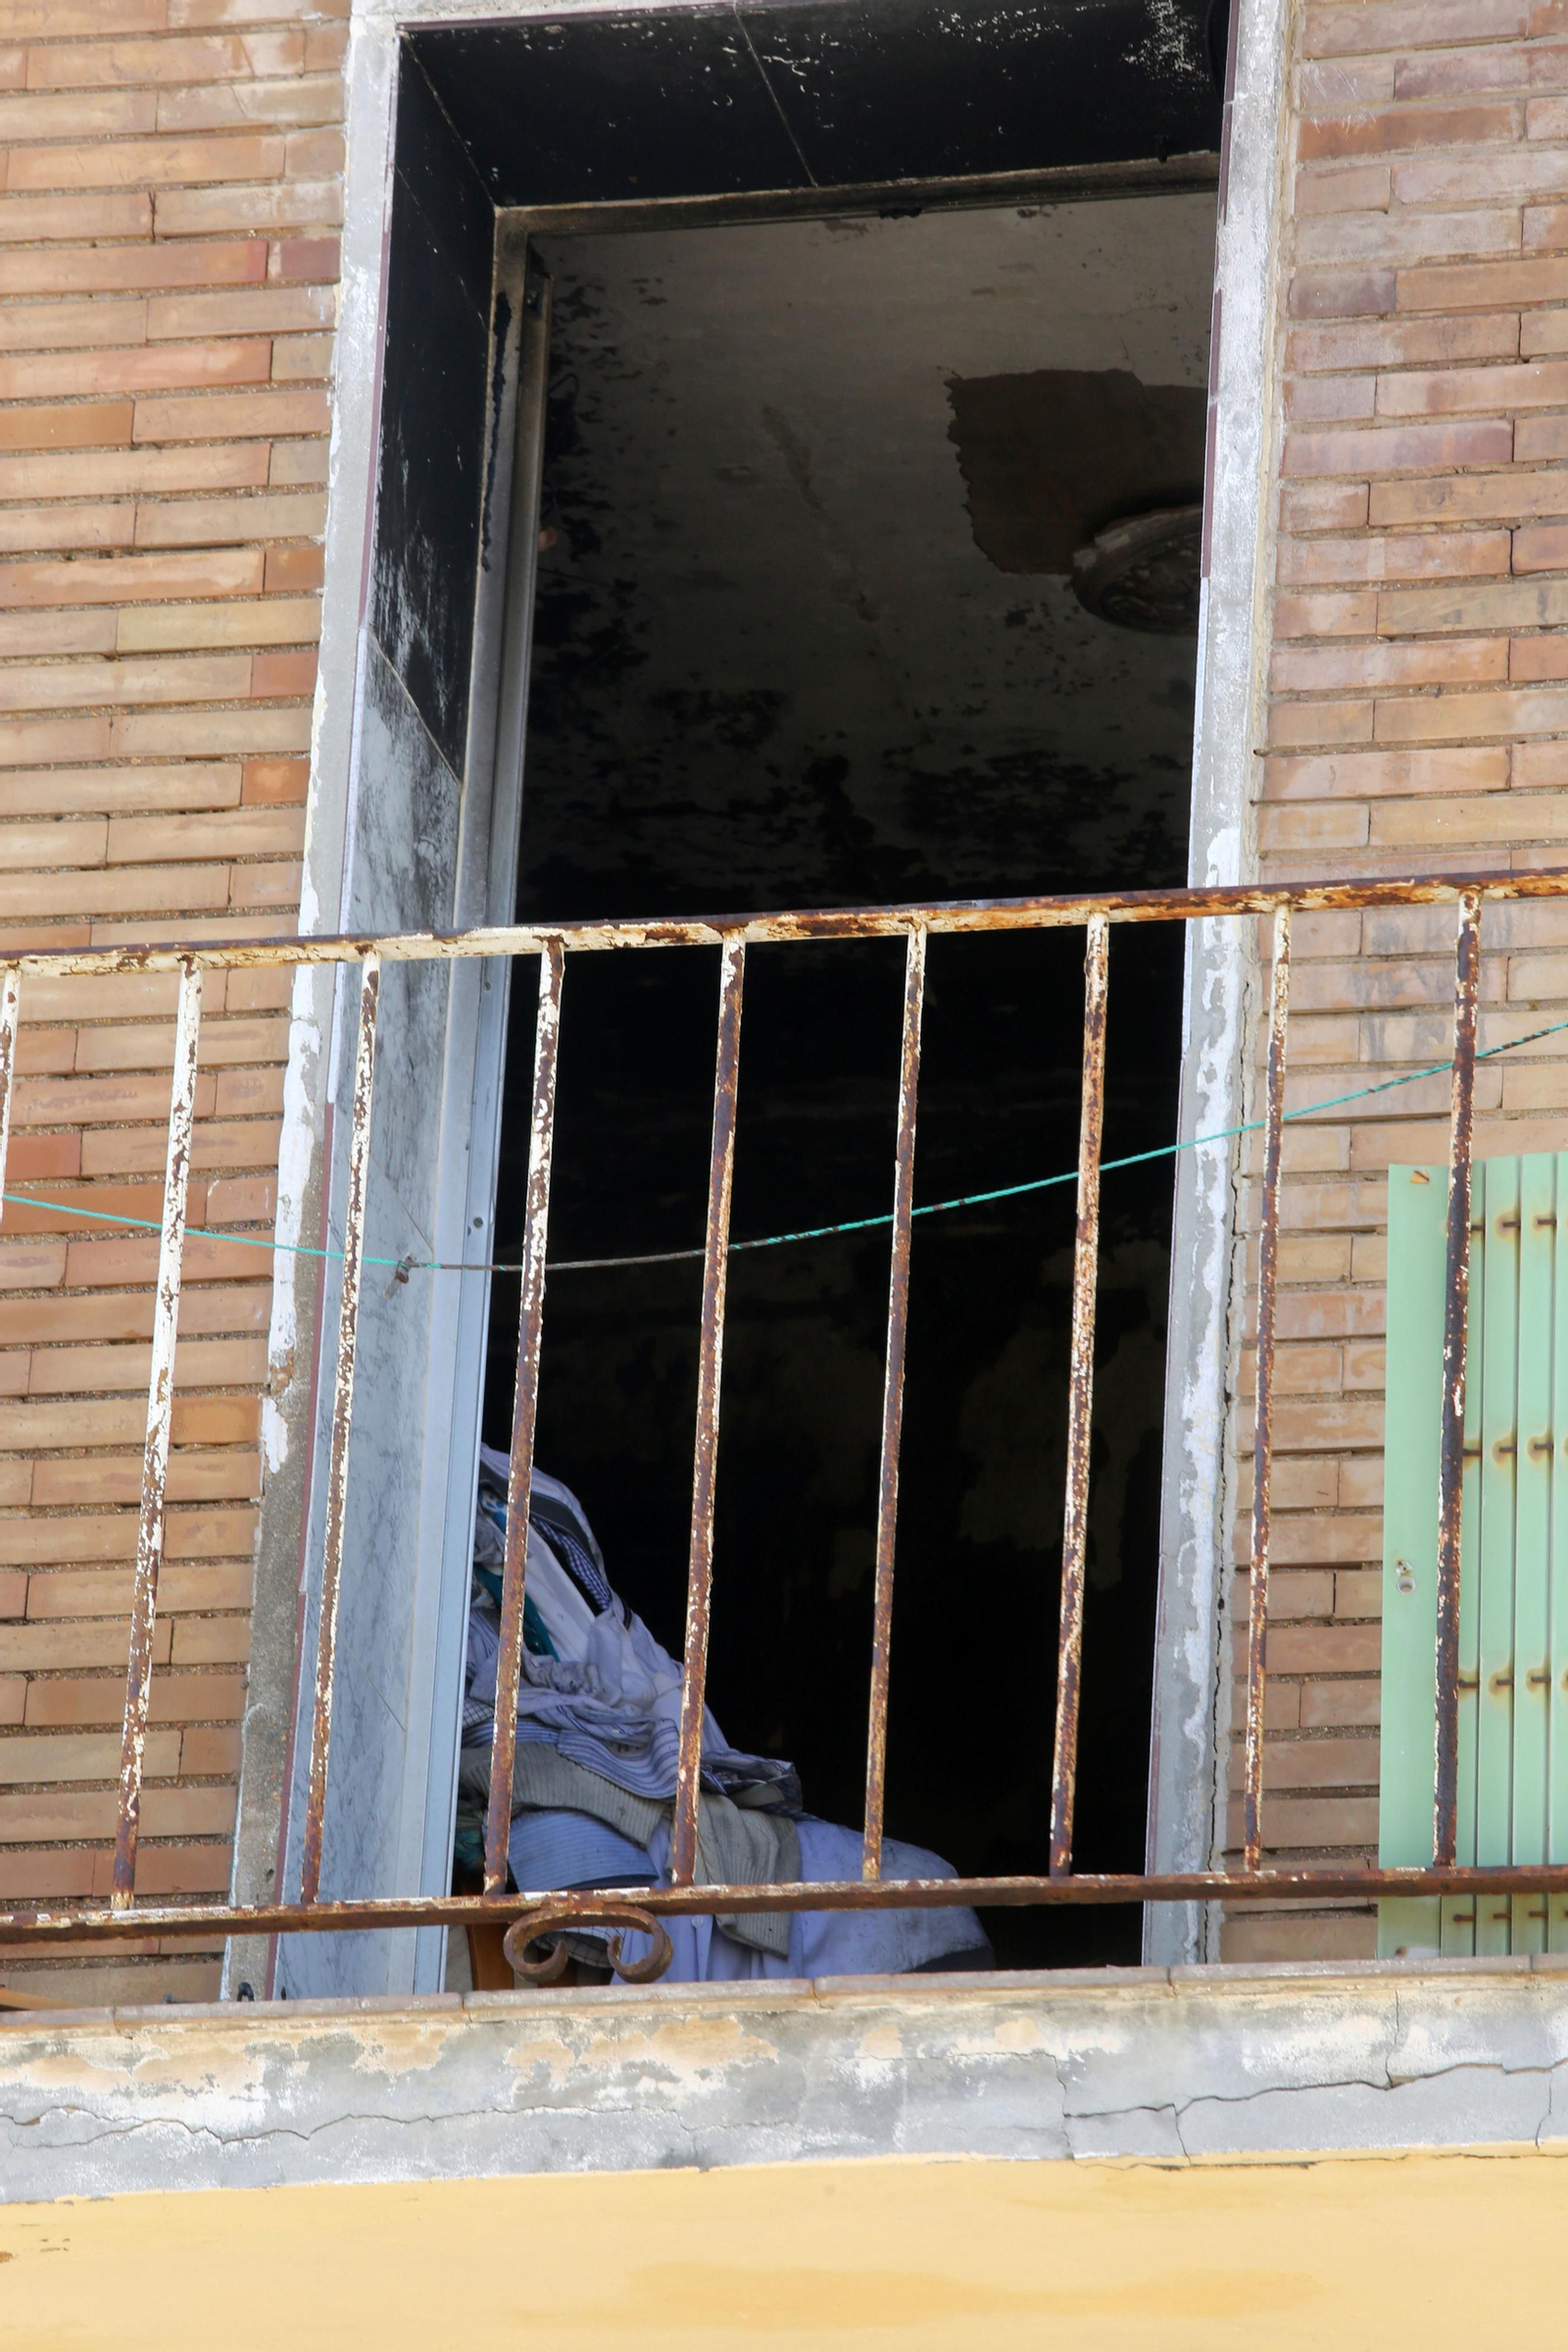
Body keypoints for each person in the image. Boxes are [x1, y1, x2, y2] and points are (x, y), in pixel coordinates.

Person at [457, 1447, 992, 1982]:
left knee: (905, 1883)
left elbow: (610, 1641)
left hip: (598, 1735)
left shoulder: (518, 1497)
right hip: (529, 1747)